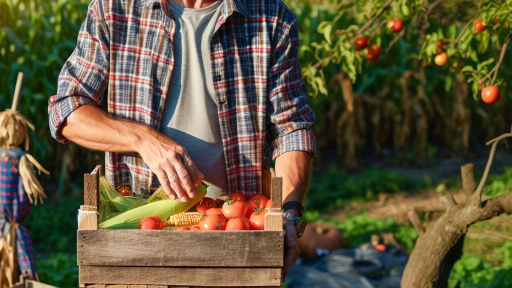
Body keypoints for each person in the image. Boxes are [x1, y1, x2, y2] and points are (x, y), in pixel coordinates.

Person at [48, 0, 316, 279]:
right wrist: (144, 139)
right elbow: (67, 112)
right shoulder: (113, 9)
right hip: (139, 242)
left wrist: (289, 212)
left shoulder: (271, 19)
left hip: (237, 237)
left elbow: (292, 129)